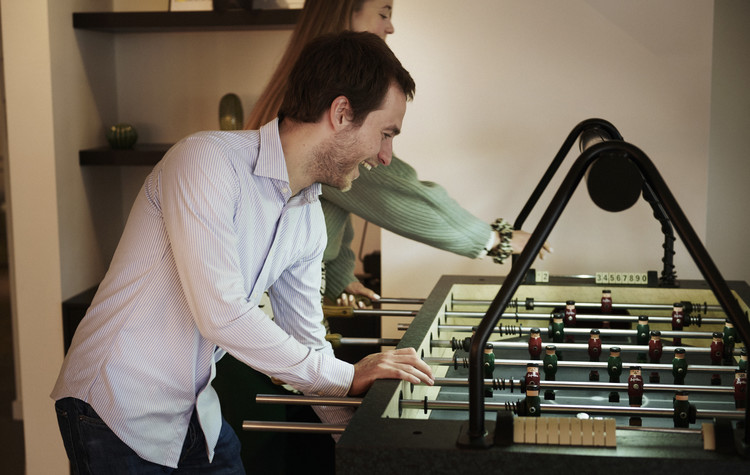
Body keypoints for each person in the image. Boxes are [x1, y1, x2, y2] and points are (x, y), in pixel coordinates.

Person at [51, 31, 433, 473]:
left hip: (193, 411)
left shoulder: (308, 217)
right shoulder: (205, 161)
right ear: (342, 113)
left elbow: (308, 344)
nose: (387, 155)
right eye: (386, 134)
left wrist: (359, 444)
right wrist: (348, 377)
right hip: (112, 407)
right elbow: (222, 313)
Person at [245, 0, 552, 308]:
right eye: (383, 13)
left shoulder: (303, 98)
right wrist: (492, 239)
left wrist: (339, 276)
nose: (390, 26)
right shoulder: (318, 125)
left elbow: (332, 200)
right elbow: (392, 191)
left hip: (290, 293)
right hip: (271, 304)